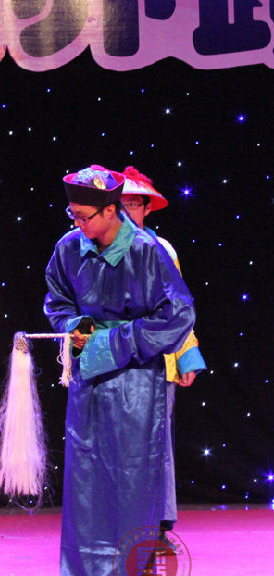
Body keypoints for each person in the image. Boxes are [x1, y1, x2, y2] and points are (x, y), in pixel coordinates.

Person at [44, 165, 196, 576]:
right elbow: (57, 300)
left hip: (136, 379)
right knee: (87, 475)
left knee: (134, 475)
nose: (77, 223)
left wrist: (117, 342)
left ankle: (138, 573)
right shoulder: (68, 248)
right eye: (73, 215)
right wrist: (73, 327)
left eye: (84, 216)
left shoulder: (148, 251)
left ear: (110, 211)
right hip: (89, 376)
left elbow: (179, 314)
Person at [120, 166, 206, 538]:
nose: (126, 211)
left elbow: (178, 308)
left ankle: (159, 521)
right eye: (120, 204)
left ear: (146, 208)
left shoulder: (162, 249)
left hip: (158, 358)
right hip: (116, 356)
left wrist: (187, 356)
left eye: (133, 204)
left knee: (156, 439)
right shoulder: (95, 248)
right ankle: (118, 519)